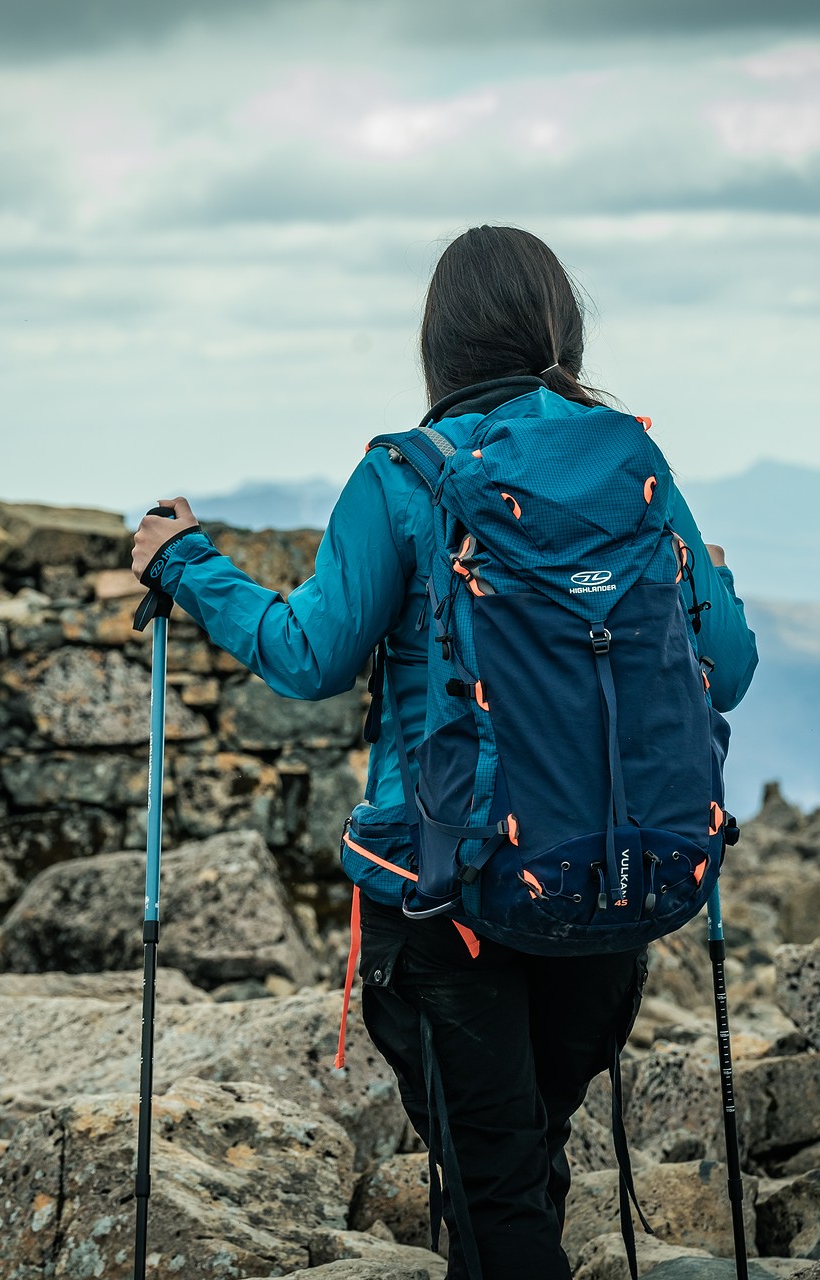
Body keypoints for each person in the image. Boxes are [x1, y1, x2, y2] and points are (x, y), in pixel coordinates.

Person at [131, 225, 758, 1280]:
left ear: (438, 342)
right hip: (612, 882)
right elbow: (725, 668)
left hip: (444, 897)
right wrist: (717, 580)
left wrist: (187, 563)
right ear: (562, 328)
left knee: (496, 1176)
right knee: (518, 1154)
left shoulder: (404, 474)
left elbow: (309, 652)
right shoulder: (637, 466)